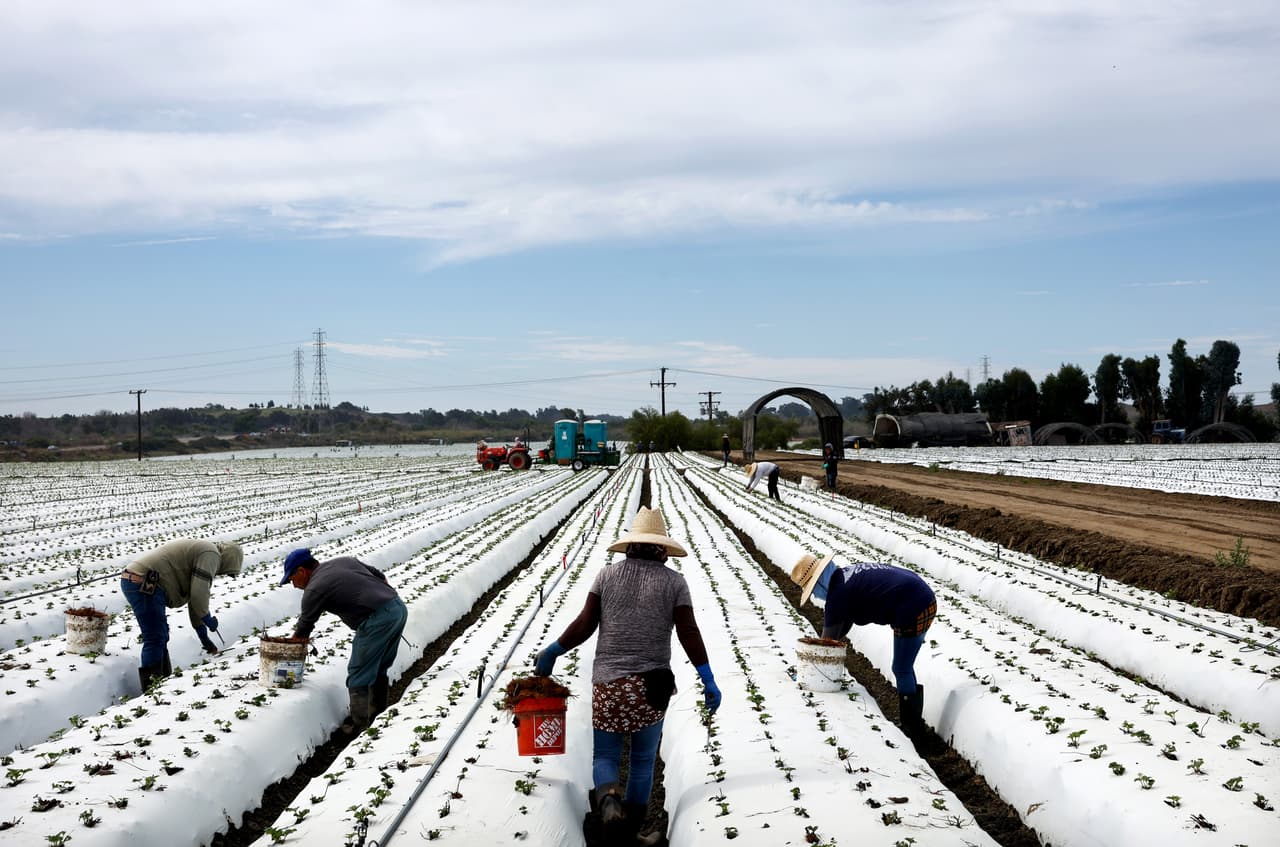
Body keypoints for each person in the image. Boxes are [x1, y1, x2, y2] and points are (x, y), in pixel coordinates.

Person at [533, 507, 721, 845]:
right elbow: (688, 633)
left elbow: (585, 625)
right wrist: (707, 677)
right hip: (652, 687)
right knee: (643, 759)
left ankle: (607, 803)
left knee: (605, 755)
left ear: (630, 546)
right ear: (662, 548)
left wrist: (553, 651)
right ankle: (632, 834)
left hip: (609, 685)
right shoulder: (674, 582)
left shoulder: (606, 576)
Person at [789, 553, 936, 737]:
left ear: (818, 582)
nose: (815, 596)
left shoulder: (837, 595)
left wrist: (808, 669)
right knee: (903, 666)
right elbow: (844, 623)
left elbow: (826, 643)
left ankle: (912, 731)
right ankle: (913, 725)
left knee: (901, 668)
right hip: (918, 594)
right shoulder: (842, 578)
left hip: (916, 604)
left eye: (812, 591)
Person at [281, 548, 408, 732]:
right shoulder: (343, 561)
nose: (294, 585)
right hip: (397, 607)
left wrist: (285, 664)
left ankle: (359, 726)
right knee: (379, 665)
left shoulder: (314, 588)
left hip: (377, 620)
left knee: (358, 672)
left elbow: (303, 631)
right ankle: (377, 712)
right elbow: (380, 577)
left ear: (301, 571)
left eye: (292, 579)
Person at [120, 539, 243, 690]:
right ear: (230, 560)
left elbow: (194, 599)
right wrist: (208, 620)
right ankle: (151, 690)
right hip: (143, 581)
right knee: (155, 637)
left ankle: (162, 683)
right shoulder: (211, 555)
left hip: (142, 580)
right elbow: (199, 595)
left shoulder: (207, 553)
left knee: (161, 635)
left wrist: (204, 638)